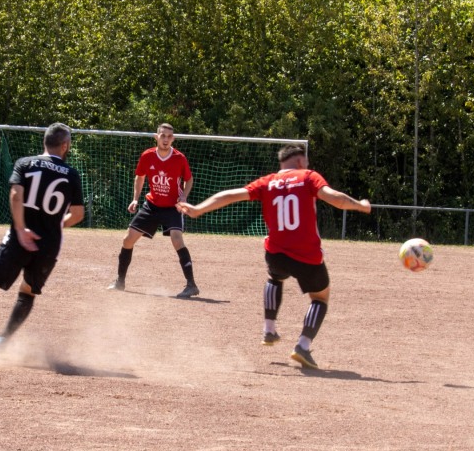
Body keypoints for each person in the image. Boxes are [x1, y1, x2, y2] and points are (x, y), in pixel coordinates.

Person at [176, 143, 371, 369]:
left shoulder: (267, 182)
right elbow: (336, 198)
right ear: (300, 161)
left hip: (276, 253)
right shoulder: (308, 176)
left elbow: (230, 194)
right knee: (320, 297)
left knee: (275, 277)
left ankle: (269, 329)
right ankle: (303, 346)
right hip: (306, 255)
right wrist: (361, 206)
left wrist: (199, 209)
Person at [0, 123, 84, 359]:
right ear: (65, 146)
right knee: (28, 292)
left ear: (45, 142)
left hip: (20, 240)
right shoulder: (72, 174)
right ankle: (4, 340)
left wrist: (21, 229)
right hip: (49, 245)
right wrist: (55, 224)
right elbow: (79, 214)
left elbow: (15, 195)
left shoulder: (25, 163)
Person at [107, 123, 199, 298]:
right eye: (162, 135)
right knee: (128, 240)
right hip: (152, 205)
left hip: (173, 206)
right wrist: (135, 198)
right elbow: (140, 177)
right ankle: (120, 282)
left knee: (177, 240)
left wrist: (184, 197)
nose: (166, 139)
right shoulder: (147, 156)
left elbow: (189, 179)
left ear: (173, 139)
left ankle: (191, 285)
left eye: (169, 136)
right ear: (156, 137)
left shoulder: (179, 158)